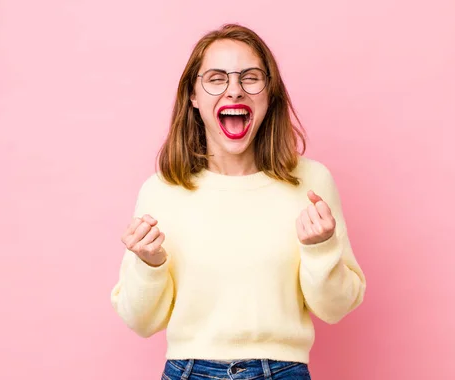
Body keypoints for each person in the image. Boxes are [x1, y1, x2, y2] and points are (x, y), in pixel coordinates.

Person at [110, 23, 366, 380]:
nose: (234, 91)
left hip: (284, 371)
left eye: (250, 78)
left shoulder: (312, 182)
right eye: (216, 78)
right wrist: (149, 265)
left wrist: (322, 249)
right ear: (193, 97)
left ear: (269, 94)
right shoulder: (161, 191)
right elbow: (140, 321)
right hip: (188, 371)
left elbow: (336, 308)